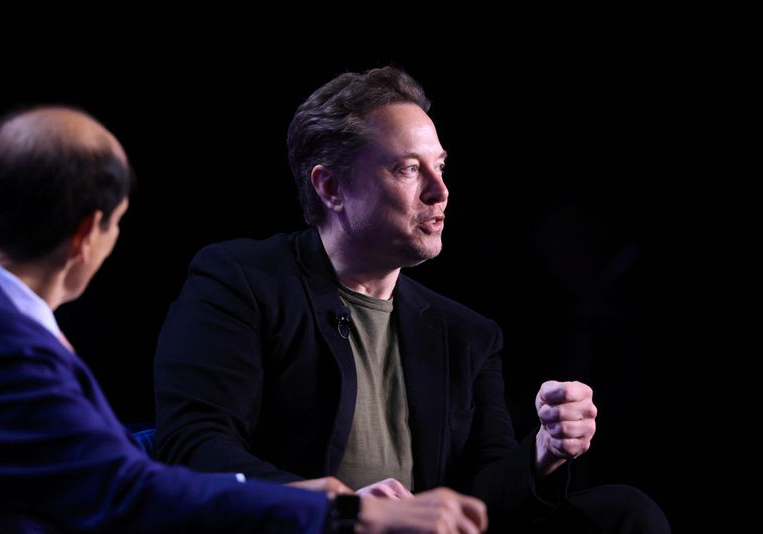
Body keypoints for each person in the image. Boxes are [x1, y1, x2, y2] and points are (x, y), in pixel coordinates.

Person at [153, 67, 670, 532]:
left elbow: (486, 502)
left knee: (624, 511)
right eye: (407, 169)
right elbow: (194, 445)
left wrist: (544, 450)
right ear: (330, 187)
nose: (440, 190)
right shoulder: (240, 280)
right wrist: (343, 508)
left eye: (441, 166)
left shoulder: (466, 333)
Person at [0, 105, 489, 533]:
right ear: (85, 234)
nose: (440, 190)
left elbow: (89, 453)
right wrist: (340, 509)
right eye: (119, 224)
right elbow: (119, 491)